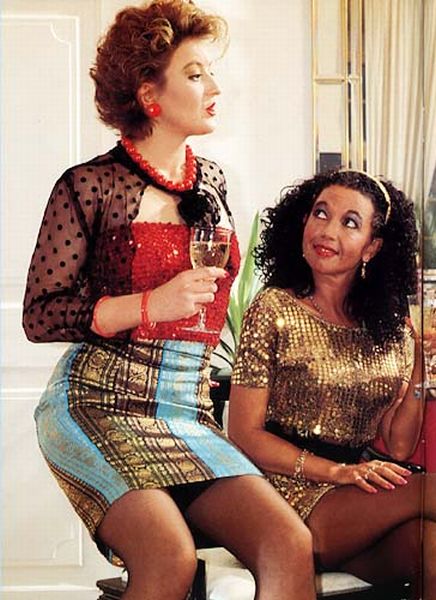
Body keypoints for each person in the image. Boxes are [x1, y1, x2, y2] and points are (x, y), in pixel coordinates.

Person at [22, 2, 317, 599]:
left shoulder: (213, 181)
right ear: (149, 95)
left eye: (211, 72)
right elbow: (40, 313)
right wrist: (148, 305)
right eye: (195, 74)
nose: (215, 88)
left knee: (288, 543)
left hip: (185, 408)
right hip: (98, 401)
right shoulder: (90, 185)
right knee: (168, 556)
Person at [229, 169, 436, 598]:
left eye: (350, 222)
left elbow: (399, 446)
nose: (327, 231)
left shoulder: (389, 328)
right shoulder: (274, 308)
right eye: (320, 213)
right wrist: (338, 473)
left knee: (432, 552)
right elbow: (244, 434)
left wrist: (421, 364)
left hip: (355, 500)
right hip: (282, 500)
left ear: (372, 247)